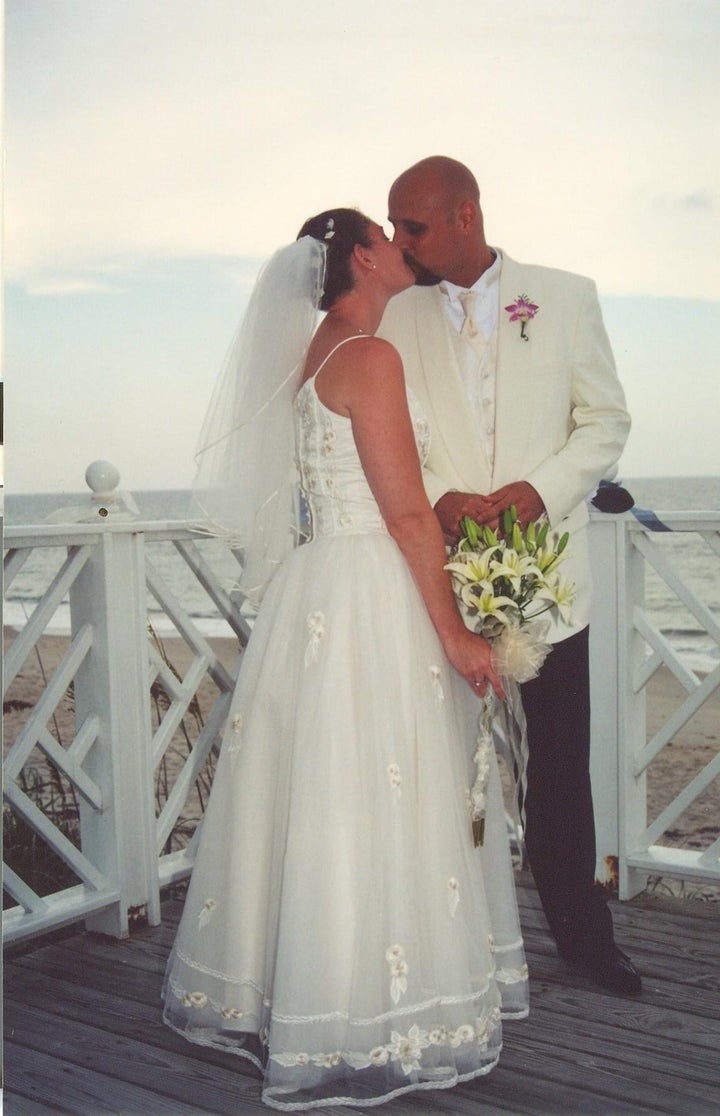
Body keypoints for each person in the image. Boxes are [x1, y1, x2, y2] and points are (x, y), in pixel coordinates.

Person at [162, 208, 529, 1110]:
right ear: (363, 257)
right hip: (372, 591)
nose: (405, 248)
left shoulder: (314, 352)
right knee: (384, 785)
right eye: (389, 236)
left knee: (327, 791)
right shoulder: (370, 356)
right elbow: (406, 515)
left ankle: (308, 992)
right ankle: (374, 1006)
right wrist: (455, 632)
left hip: (316, 585)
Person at [378, 156, 641, 996]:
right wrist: (439, 497)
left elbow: (606, 420)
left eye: (411, 226)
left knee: (560, 765)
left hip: (551, 583)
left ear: (466, 215)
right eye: (392, 226)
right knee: (437, 759)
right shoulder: (395, 314)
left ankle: (585, 942)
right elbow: (385, 439)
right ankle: (443, 941)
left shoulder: (566, 295)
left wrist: (543, 490)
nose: (397, 242)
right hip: (436, 577)